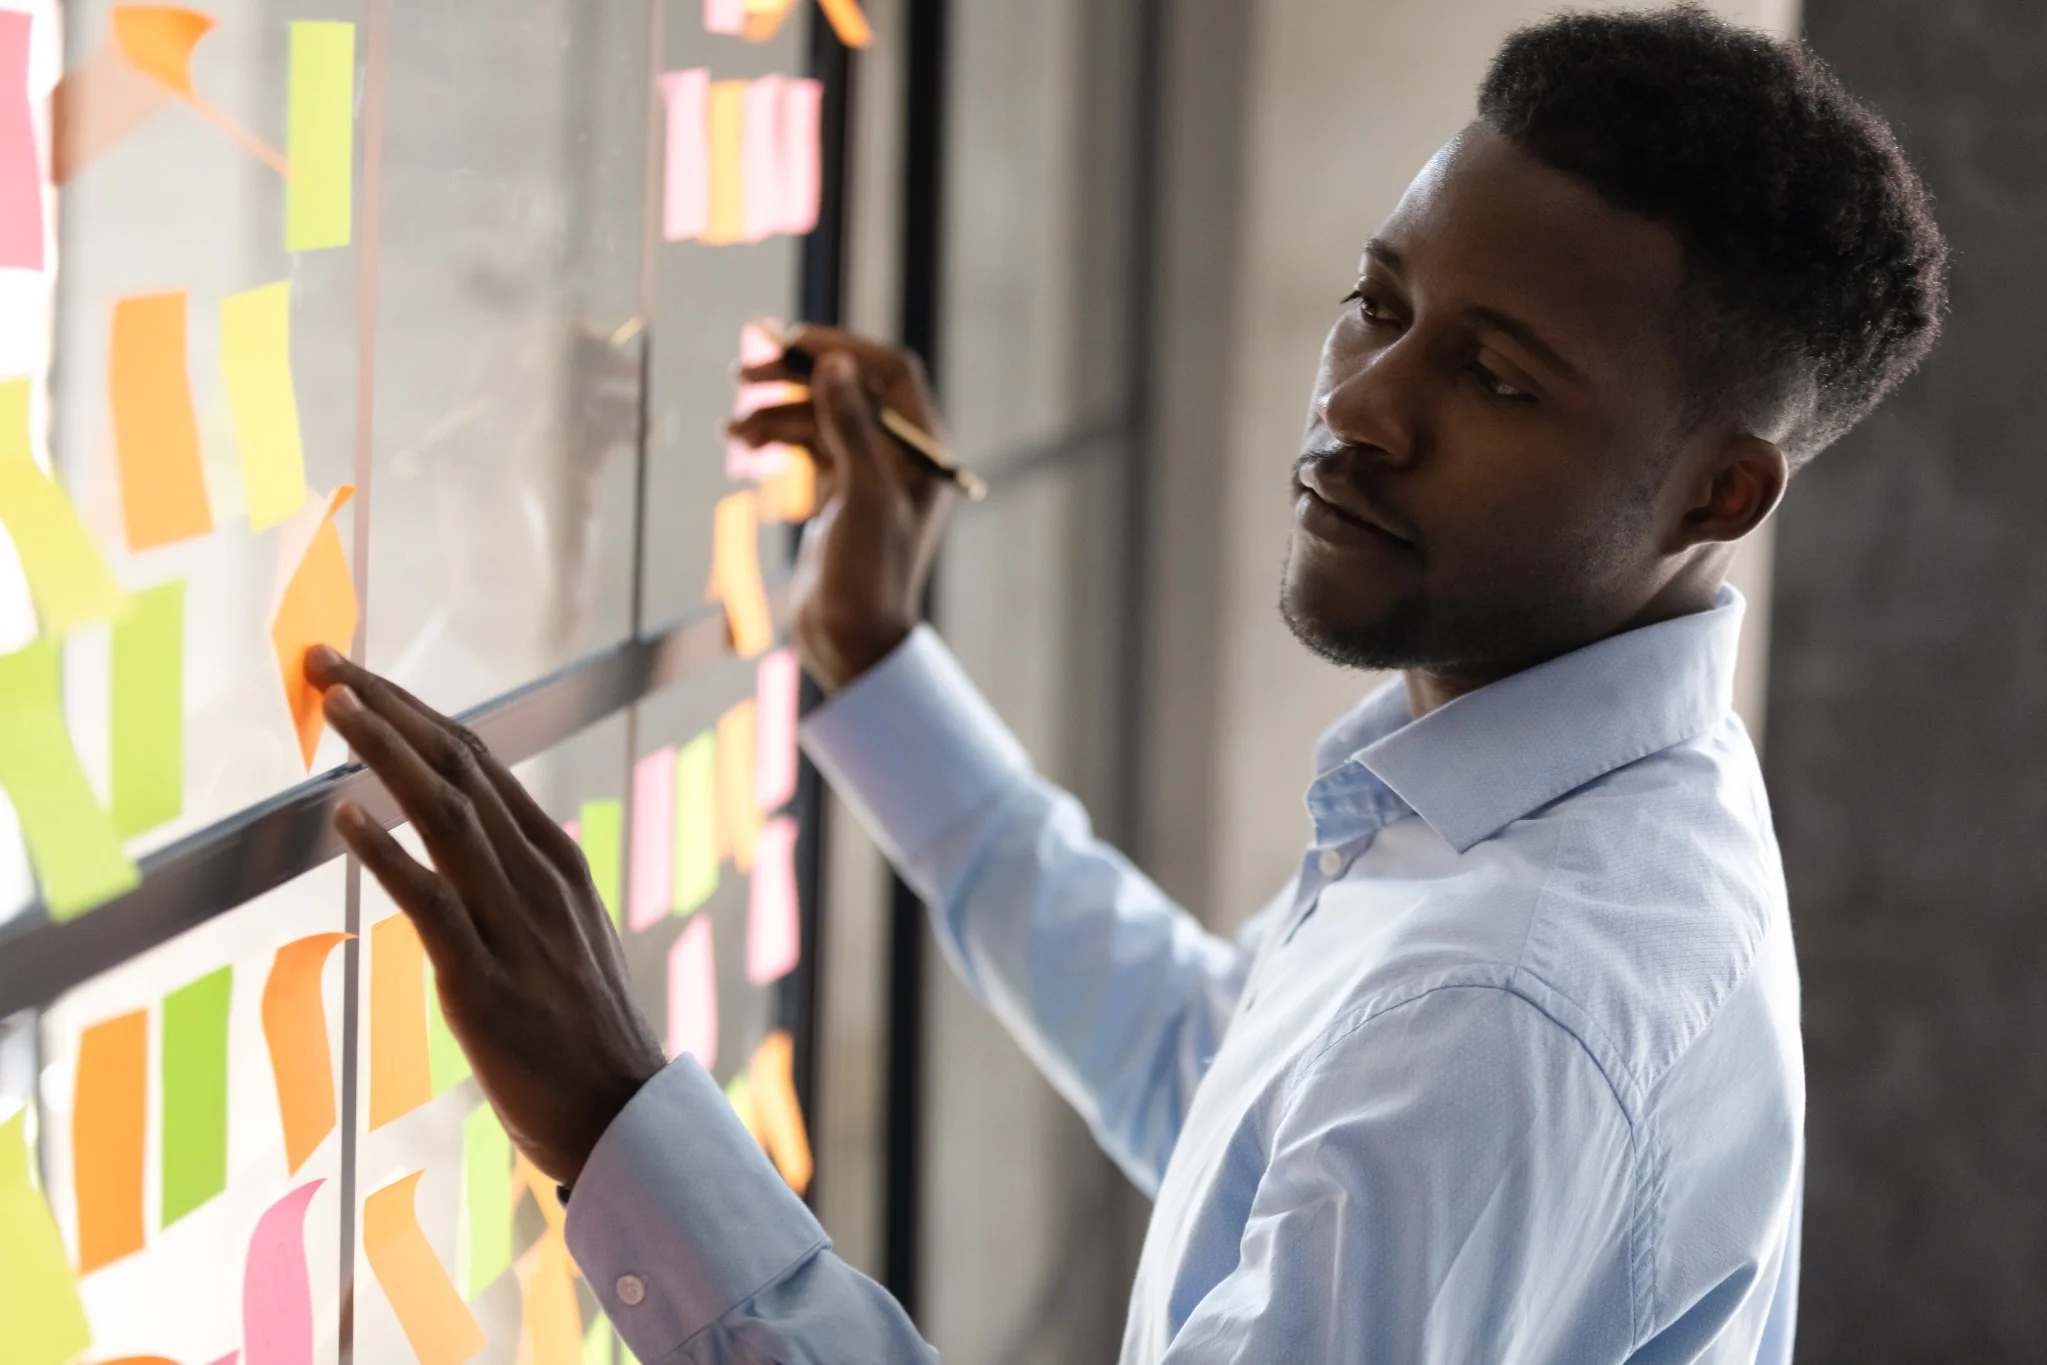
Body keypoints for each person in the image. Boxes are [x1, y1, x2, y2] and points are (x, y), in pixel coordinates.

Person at [309, 7, 1948, 1361]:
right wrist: (873, 665)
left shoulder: (1507, 1000)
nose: (1364, 405)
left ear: (1714, 497)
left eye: (1495, 375)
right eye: (1377, 304)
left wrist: (611, 1112)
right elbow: (1214, 1083)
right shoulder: (1548, 806)